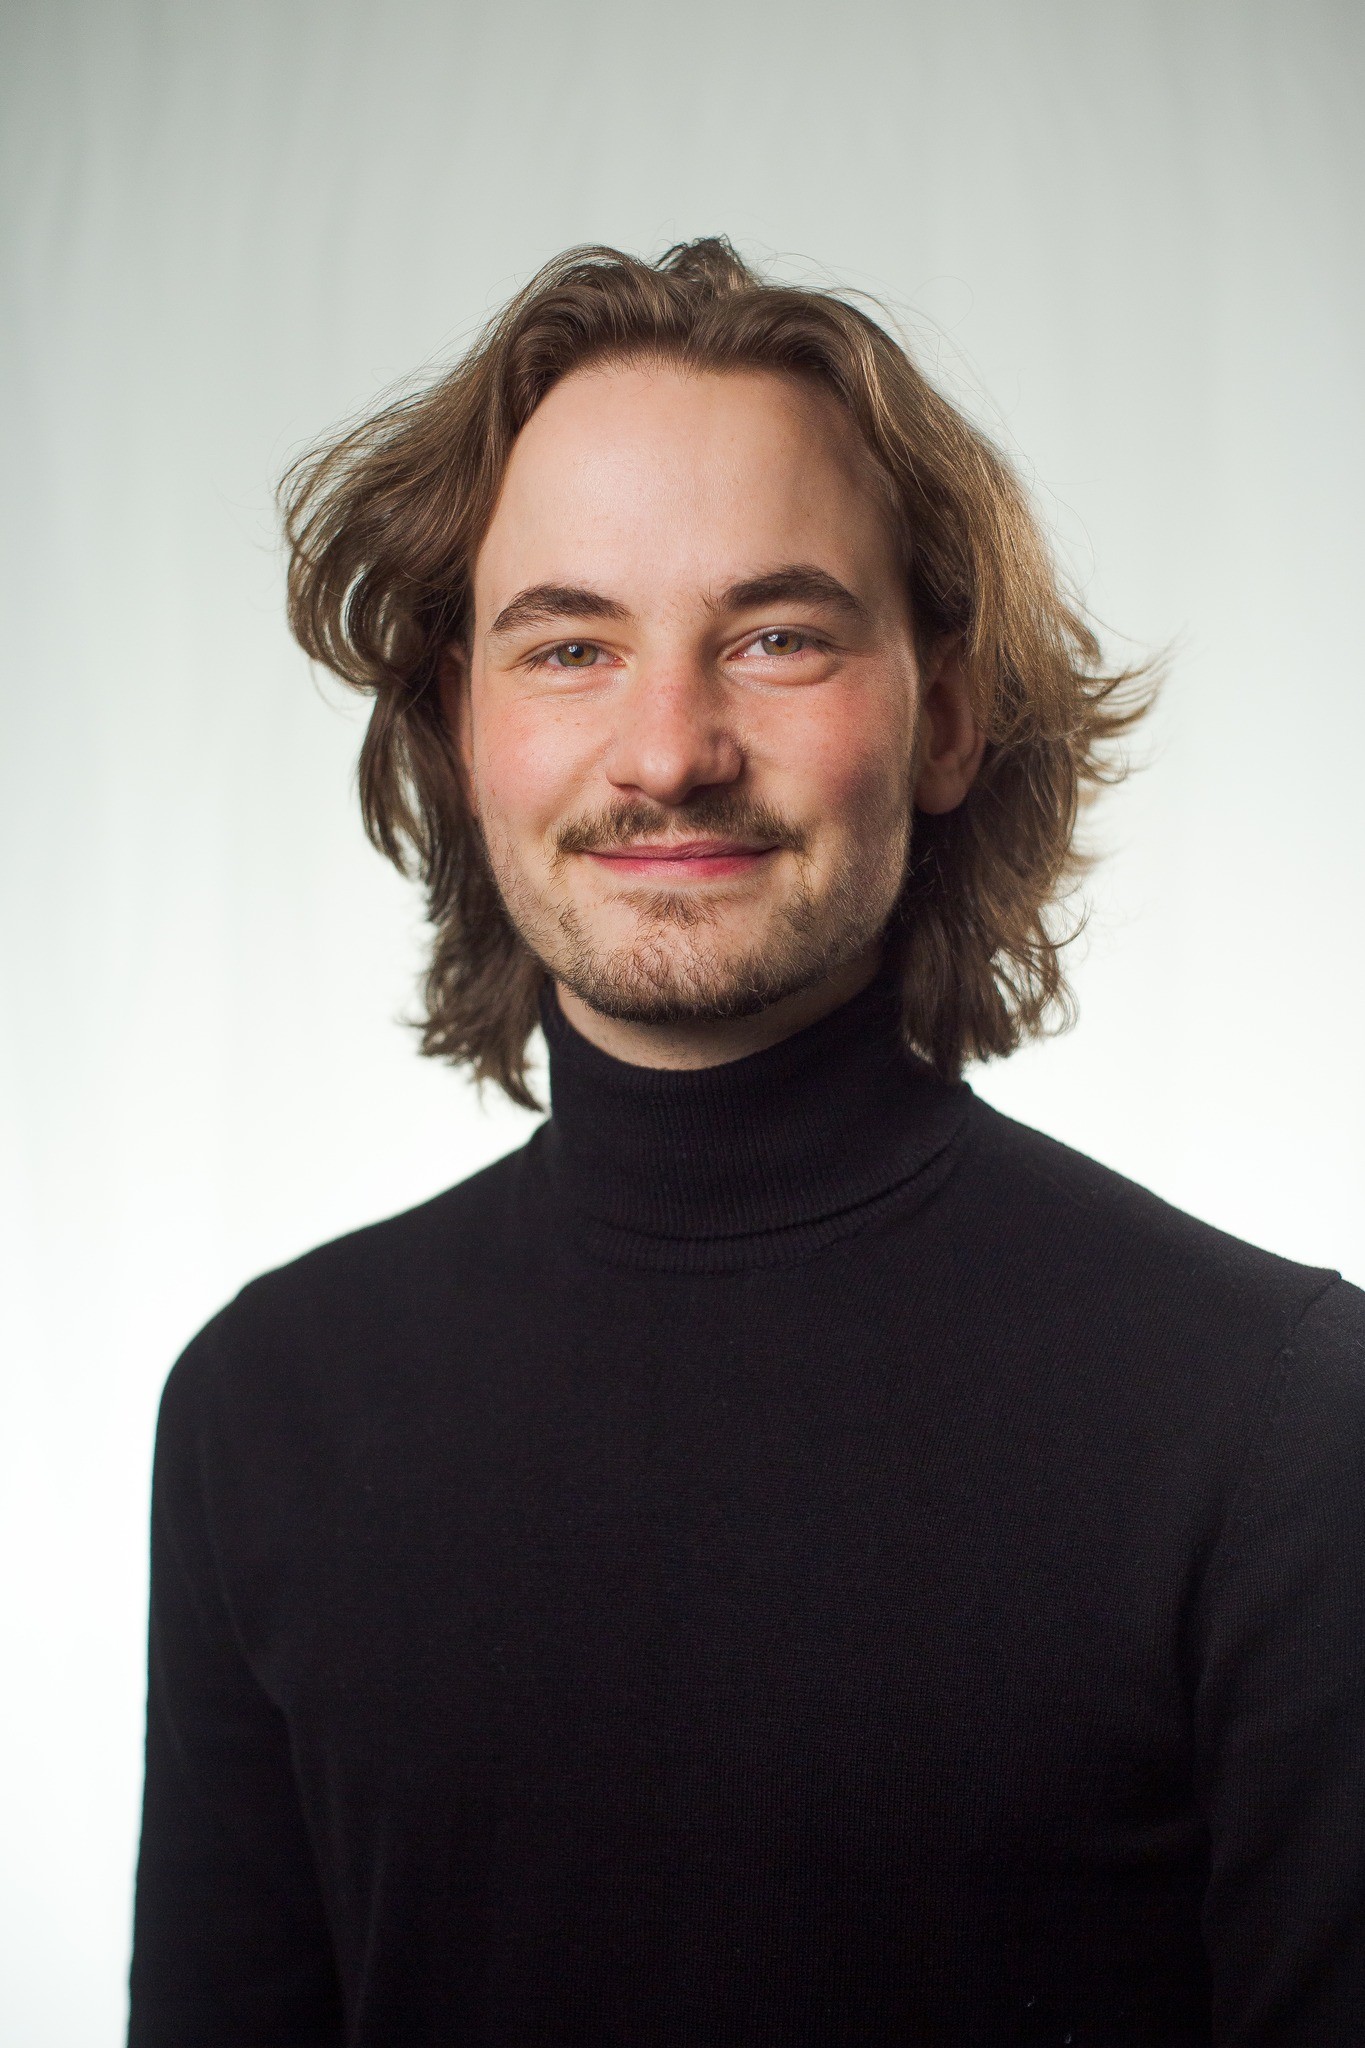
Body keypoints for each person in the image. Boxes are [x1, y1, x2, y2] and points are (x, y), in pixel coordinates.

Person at [128, 238, 1365, 2047]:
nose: (667, 750)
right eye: (569, 645)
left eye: (777, 637)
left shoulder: (1277, 1423)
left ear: (946, 715)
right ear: (460, 723)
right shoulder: (266, 1407)